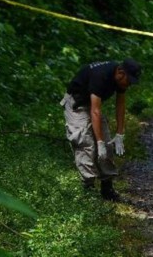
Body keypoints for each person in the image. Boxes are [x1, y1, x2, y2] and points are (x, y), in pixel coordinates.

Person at [60, 58, 142, 201]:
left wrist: (119, 133)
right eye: (128, 81)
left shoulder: (120, 78)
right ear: (120, 72)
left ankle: (107, 189)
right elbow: (95, 111)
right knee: (86, 145)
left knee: (107, 145)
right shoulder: (101, 76)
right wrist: (99, 143)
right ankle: (88, 191)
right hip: (77, 105)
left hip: (92, 106)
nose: (128, 85)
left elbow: (120, 104)